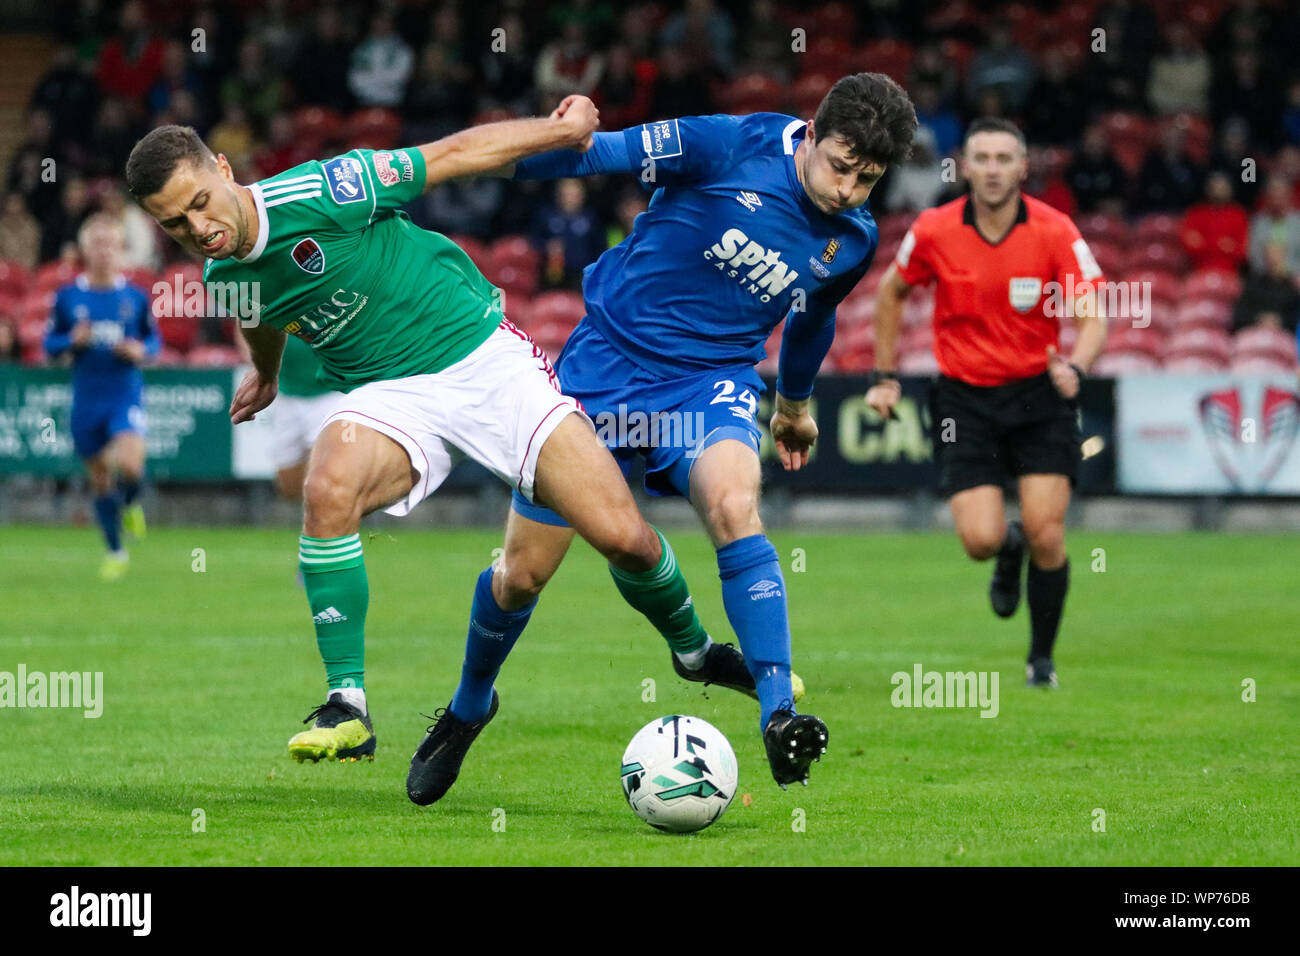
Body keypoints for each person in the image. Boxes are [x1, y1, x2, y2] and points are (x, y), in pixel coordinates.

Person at [124, 103, 726, 781]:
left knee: (626, 539)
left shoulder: (329, 189)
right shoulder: (222, 275)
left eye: (202, 204)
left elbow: (453, 152)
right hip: (392, 396)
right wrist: (266, 375)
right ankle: (345, 705)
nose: (198, 229)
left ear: (225, 170)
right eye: (175, 223)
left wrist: (560, 132)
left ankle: (694, 651)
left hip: (483, 362)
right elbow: (259, 309)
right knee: (328, 485)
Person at [429, 72, 917, 799]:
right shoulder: (730, 144)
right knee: (522, 573)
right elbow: (599, 155)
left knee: (734, 507)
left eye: (867, 180)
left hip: (711, 383)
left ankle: (780, 715)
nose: (848, 190)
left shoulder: (853, 241)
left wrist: (793, 404)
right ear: (812, 135)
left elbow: (812, 318)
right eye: (841, 167)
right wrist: (492, 153)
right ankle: (469, 707)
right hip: (603, 369)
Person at [869, 118, 1108, 689]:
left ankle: (1041, 660)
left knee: (1049, 531)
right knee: (979, 540)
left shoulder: (1054, 230)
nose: (994, 168)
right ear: (965, 166)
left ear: (1023, 168)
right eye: (984, 157)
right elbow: (890, 292)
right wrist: (884, 375)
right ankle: (1008, 548)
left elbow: (1093, 314)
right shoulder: (933, 228)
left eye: (1006, 158)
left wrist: (1078, 366)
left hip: (1038, 395)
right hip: (963, 399)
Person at [43, 214, 158, 580]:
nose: (104, 251)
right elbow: (49, 343)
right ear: (84, 250)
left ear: (120, 249)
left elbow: (153, 340)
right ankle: (115, 550)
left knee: (130, 464)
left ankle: (131, 503)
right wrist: (69, 342)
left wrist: (140, 350)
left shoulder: (134, 297)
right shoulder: (68, 297)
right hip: (87, 399)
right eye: (97, 244)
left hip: (124, 395)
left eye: (110, 244)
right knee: (99, 478)